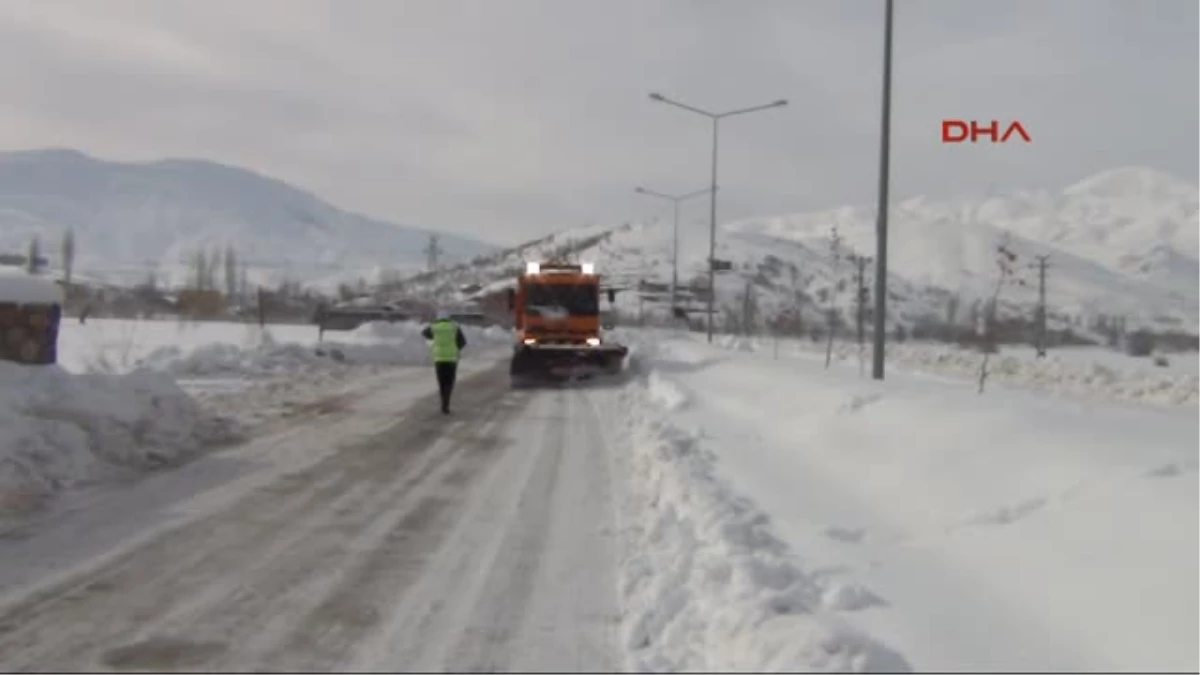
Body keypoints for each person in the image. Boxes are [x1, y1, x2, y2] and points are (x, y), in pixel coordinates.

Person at [421, 310, 467, 414]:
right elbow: (463, 342)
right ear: (449, 317)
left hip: (439, 358)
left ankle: (443, 402)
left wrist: (435, 338)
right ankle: (446, 403)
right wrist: (456, 348)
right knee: (449, 382)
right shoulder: (454, 327)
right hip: (451, 358)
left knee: (441, 382)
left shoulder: (434, 327)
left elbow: (424, 333)